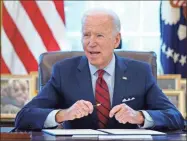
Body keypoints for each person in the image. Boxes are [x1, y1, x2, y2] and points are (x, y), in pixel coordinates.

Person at [15, 8, 184, 131]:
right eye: (86, 34)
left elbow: (175, 117)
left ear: (116, 40)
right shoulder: (63, 71)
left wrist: (139, 116)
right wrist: (62, 114)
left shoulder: (140, 72)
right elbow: (23, 117)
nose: (91, 42)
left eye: (99, 35)